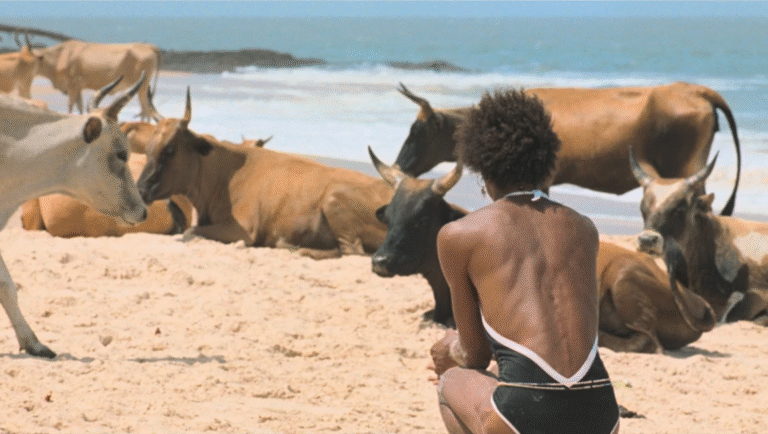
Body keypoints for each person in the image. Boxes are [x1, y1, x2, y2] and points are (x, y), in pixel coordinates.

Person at [429, 88, 620, 434]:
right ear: (545, 167)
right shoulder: (584, 228)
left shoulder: (459, 235)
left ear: (482, 171)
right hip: (602, 412)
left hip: (527, 411)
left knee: (452, 382)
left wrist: (449, 351)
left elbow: (475, 356)